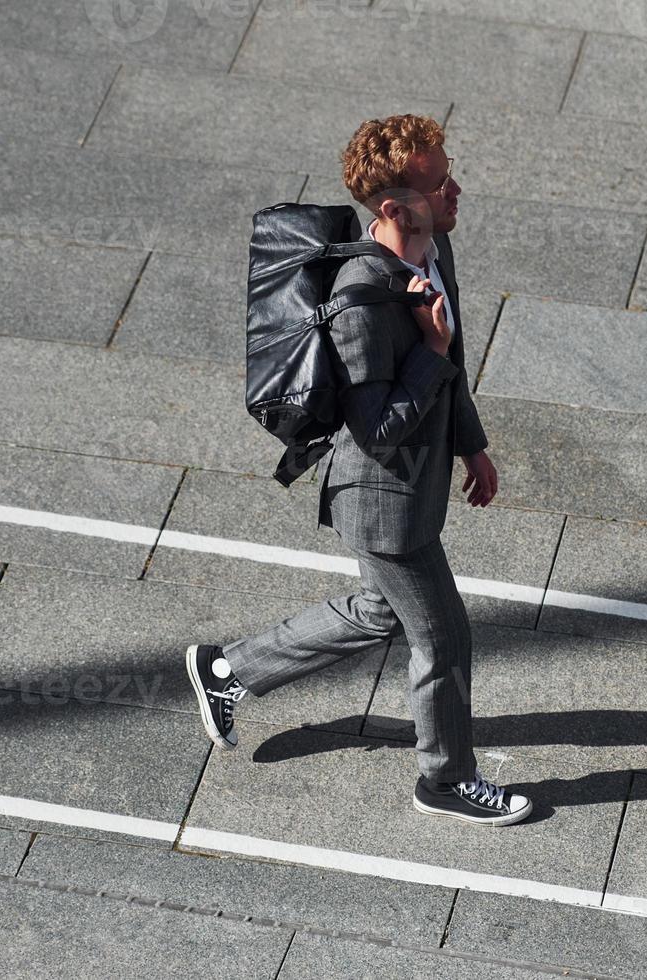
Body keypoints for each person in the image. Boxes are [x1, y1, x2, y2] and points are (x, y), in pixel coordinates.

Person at [184, 114, 533, 827]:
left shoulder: (436, 254)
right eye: (440, 184)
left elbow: (454, 367)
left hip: (416, 482)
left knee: (380, 610)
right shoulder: (360, 302)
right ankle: (446, 780)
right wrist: (429, 350)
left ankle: (228, 670)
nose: (457, 189)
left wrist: (473, 445)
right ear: (394, 207)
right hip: (384, 500)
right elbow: (375, 429)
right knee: (443, 638)